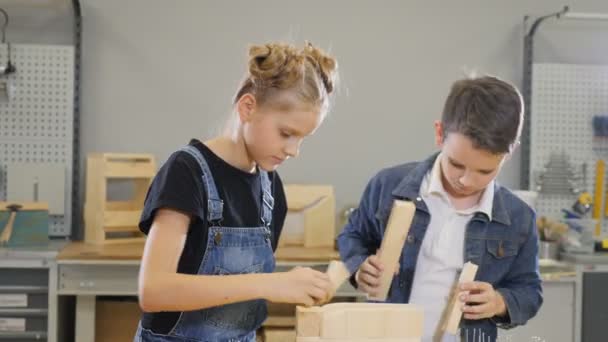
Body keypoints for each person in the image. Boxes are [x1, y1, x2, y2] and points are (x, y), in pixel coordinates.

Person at [134, 41, 339, 342]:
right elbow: (154, 291)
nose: (293, 151)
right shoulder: (186, 172)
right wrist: (269, 284)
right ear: (248, 107)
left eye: (302, 139)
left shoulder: (271, 188)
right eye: (286, 133)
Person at [337, 75, 542, 341]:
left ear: (509, 153)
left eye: (484, 171)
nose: (467, 181)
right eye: (457, 164)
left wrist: (499, 302)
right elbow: (351, 237)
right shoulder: (388, 185)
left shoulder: (519, 219)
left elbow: (529, 291)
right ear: (439, 133)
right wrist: (360, 267)